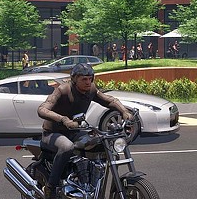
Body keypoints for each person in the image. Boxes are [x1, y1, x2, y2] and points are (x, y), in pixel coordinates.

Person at [37, 63, 135, 199]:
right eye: (84, 79)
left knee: (102, 143)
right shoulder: (63, 90)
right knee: (67, 147)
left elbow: (109, 100)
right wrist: (64, 119)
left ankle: (91, 183)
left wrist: (124, 111)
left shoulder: (91, 90)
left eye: (90, 78)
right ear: (74, 79)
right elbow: (42, 109)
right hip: (53, 133)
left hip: (75, 131)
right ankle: (50, 187)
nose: (88, 82)